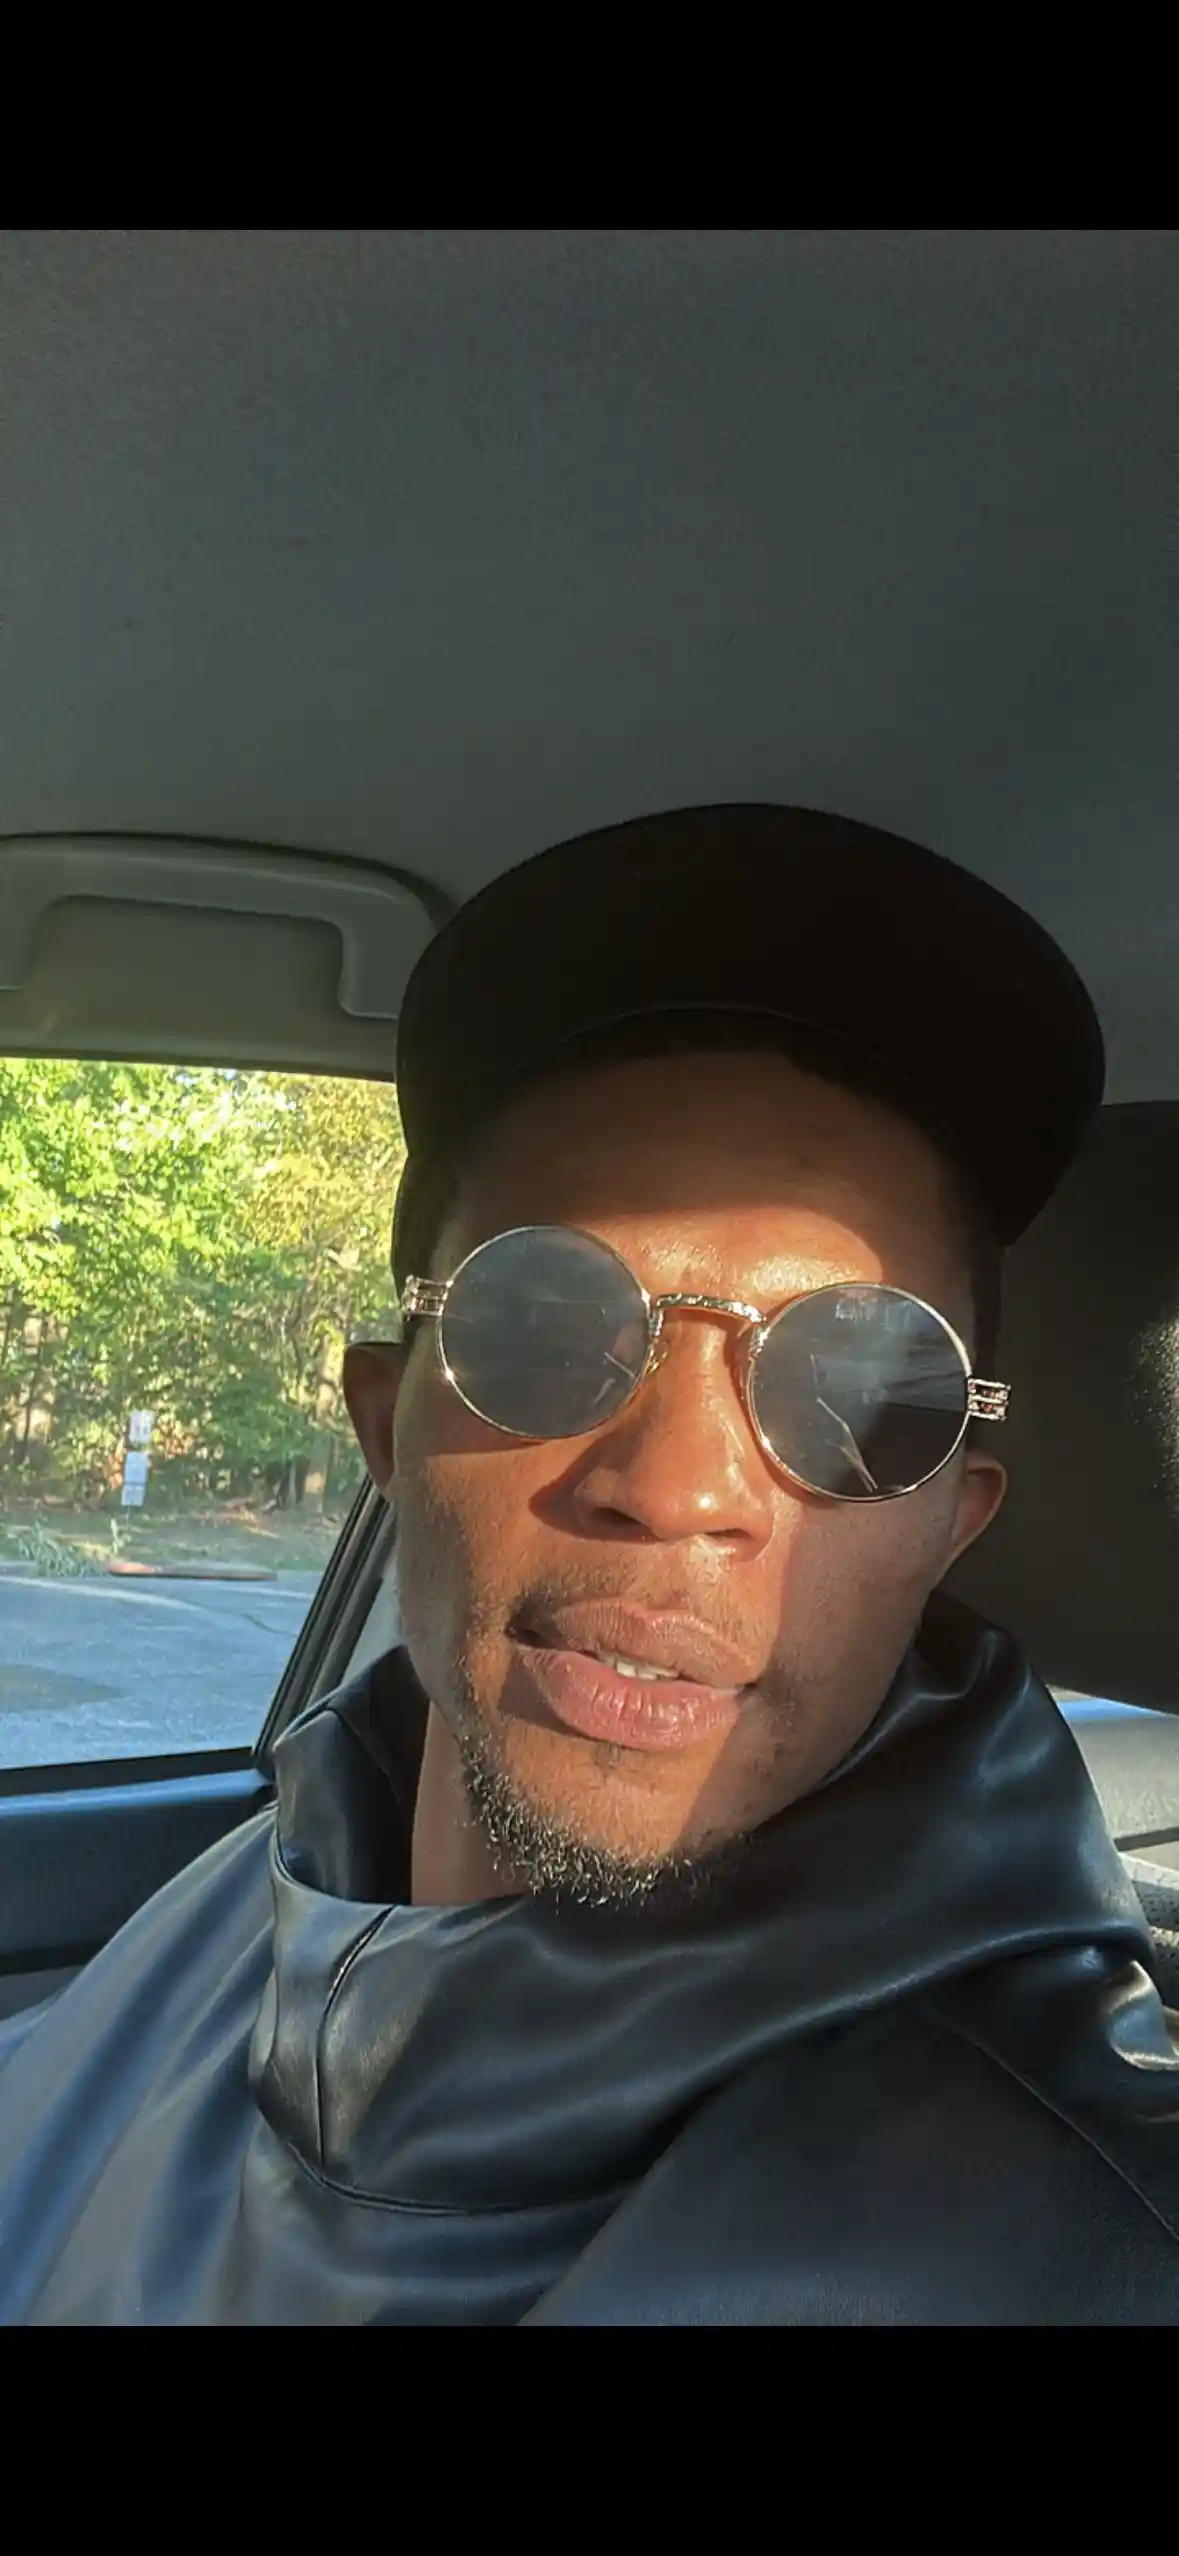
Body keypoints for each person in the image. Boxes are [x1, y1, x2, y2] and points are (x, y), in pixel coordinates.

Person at [3, 802, 1179, 2326]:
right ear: (386, 1425)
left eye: (861, 1387)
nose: (676, 1488)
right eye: (545, 1329)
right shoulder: (279, 1873)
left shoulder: (1064, 2234)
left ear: (948, 1523)